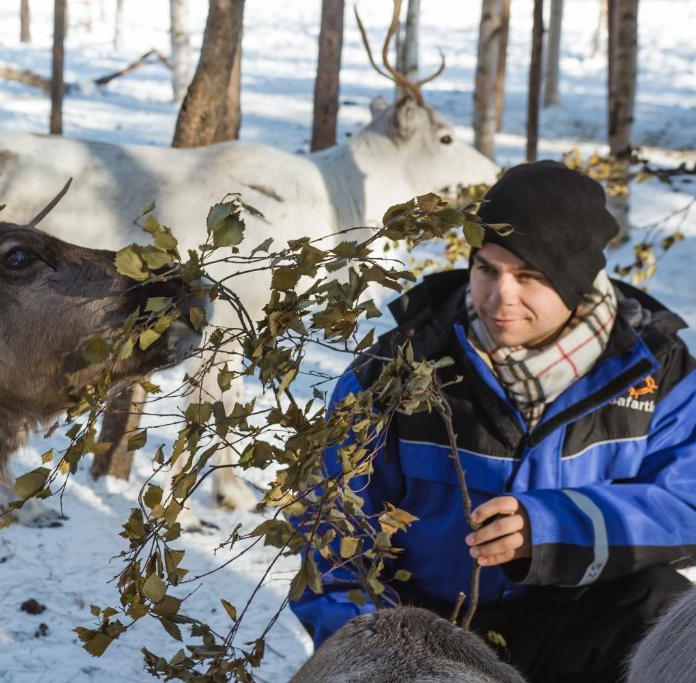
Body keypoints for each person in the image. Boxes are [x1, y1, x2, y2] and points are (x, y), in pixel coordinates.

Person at [290, 161, 696, 683]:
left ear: (576, 281)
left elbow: (686, 503)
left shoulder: (655, 371)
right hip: (429, 632)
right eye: (486, 268)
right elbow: (331, 530)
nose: (501, 296)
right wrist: (374, 650)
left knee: (669, 611)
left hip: (582, 622)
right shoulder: (396, 370)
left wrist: (553, 527)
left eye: (529, 276)